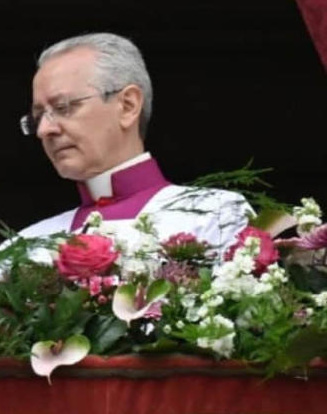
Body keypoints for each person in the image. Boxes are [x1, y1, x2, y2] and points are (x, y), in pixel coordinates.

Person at [13, 32, 251, 256]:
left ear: (127, 105)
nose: (44, 130)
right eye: (37, 117)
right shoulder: (23, 247)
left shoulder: (216, 216)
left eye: (63, 107)